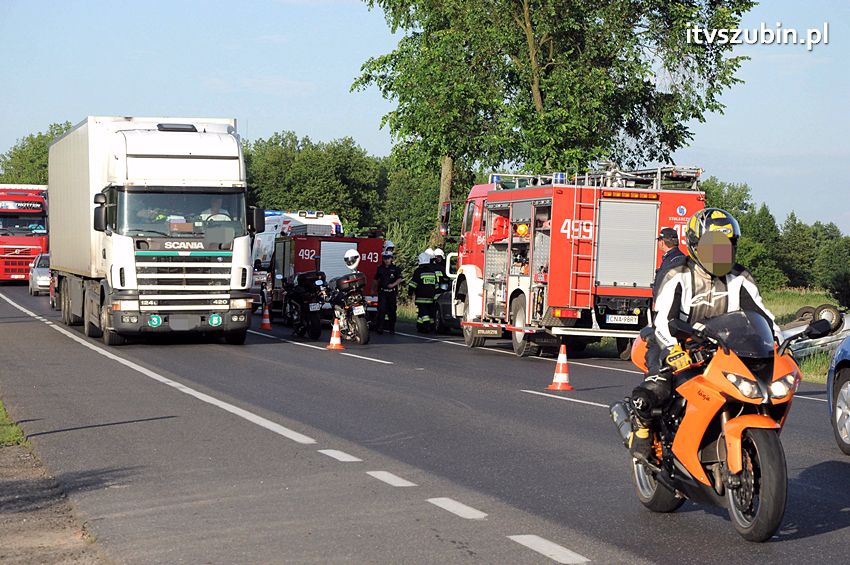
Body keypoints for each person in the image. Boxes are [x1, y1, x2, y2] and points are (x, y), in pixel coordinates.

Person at [629, 208, 781, 460]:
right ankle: (642, 429)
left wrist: (776, 343)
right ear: (695, 246)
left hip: (722, 346)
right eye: (714, 247)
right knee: (656, 389)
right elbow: (665, 320)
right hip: (676, 342)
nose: (720, 254)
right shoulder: (678, 275)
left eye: (727, 247)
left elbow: (763, 316)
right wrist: (673, 349)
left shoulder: (740, 277)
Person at [643, 227, 687, 376]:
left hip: (669, 312)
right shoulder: (675, 258)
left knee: (657, 346)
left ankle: (655, 377)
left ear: (662, 242)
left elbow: (666, 286)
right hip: (671, 310)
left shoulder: (675, 260)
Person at [409, 252, 440, 333]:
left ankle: (427, 326)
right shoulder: (433, 272)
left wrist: (410, 293)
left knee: (424, 312)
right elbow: (436, 285)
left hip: (421, 298)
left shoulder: (418, 271)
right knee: (428, 313)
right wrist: (436, 295)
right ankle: (420, 326)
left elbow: (413, 284)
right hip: (431, 297)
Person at [373, 251, 402, 334]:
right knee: (381, 310)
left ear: (391, 259)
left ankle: (391, 328)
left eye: (388, 258)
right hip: (382, 292)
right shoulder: (380, 268)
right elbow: (375, 279)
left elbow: (400, 279)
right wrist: (372, 290)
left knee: (392, 311)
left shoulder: (395, 268)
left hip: (392, 293)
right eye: (385, 258)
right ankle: (380, 328)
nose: (387, 260)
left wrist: (393, 285)